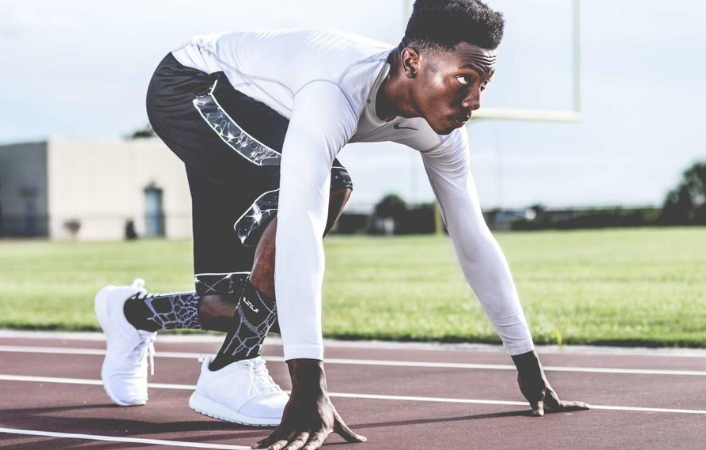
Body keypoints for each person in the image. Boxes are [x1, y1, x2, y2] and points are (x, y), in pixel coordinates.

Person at [94, 0, 589, 448]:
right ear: (412, 62)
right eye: (465, 79)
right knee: (326, 192)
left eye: (484, 85)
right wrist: (309, 388)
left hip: (262, 109)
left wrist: (528, 369)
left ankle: (134, 314)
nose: (476, 100)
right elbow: (302, 226)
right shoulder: (335, 89)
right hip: (192, 86)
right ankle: (229, 371)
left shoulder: (442, 131)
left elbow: (473, 239)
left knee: (242, 303)